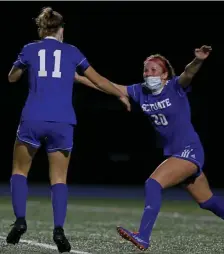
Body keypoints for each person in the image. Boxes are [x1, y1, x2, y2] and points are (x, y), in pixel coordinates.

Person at [75, 45, 224, 251]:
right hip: (176, 154)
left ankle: (143, 237)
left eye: (153, 70)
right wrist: (77, 78)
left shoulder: (175, 87)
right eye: (146, 70)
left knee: (153, 184)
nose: (148, 74)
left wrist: (198, 60)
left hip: (189, 150)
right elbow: (106, 85)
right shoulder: (140, 91)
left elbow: (188, 73)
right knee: (208, 202)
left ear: (165, 75)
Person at [7, 7, 130, 253]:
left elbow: (12, 77)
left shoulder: (30, 49)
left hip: (33, 118)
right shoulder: (72, 52)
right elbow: (99, 80)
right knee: (59, 178)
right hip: (62, 121)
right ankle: (59, 229)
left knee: (20, 171)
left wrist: (22, 67)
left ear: (41, 29)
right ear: (61, 29)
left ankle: (20, 220)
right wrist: (121, 95)